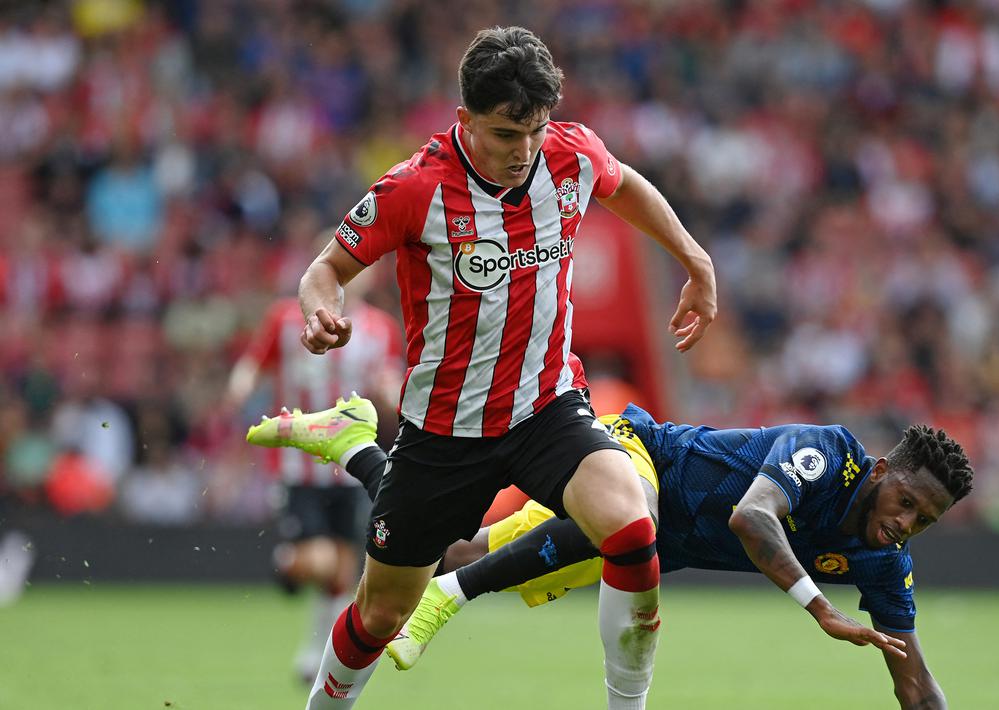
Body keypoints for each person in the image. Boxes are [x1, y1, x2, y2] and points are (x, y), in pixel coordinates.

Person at [290, 26, 717, 709]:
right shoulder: (414, 188)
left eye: (535, 131)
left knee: (632, 527)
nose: (523, 151)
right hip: (444, 430)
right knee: (380, 613)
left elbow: (623, 184)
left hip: (546, 407)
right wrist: (320, 312)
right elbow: (326, 270)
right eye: (504, 134)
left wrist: (693, 258)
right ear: (464, 119)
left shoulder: (571, 153)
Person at [250, 398, 970, 710]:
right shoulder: (829, 454)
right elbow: (753, 518)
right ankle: (451, 600)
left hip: (644, 550)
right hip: (633, 455)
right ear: (882, 470)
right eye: (906, 501)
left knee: (448, 553)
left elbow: (914, 683)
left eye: (924, 520)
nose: (905, 523)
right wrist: (819, 609)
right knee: (635, 525)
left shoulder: (883, 561)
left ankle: (353, 442)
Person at [223, 274, 403, 683]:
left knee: (342, 570)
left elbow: (388, 377)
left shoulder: (380, 328)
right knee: (320, 560)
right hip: (298, 463)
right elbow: (256, 362)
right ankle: (285, 563)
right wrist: (240, 388)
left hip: (353, 464)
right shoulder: (286, 319)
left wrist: (397, 398)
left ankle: (315, 653)